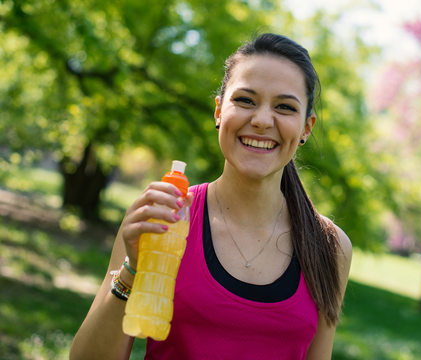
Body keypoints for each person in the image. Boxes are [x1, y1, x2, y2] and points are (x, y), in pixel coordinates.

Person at [70, 33, 352, 360]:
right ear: (219, 111)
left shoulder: (330, 247)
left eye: (285, 107)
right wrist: (132, 269)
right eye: (245, 100)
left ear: (306, 127)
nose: (261, 120)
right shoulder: (163, 216)